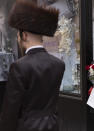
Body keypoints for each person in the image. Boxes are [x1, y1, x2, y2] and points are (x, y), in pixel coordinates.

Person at [0, 1, 65, 131]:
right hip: (53, 126)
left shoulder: (19, 66)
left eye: (18, 35)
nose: (18, 38)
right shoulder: (59, 64)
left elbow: (11, 110)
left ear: (24, 35)